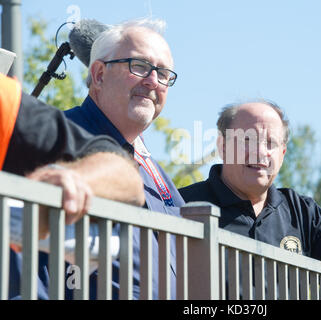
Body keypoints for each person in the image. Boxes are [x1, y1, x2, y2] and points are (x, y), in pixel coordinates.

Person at [179, 100, 321, 296]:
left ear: (282, 154)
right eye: (248, 140)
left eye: (271, 143)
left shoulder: (302, 212)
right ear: (223, 147)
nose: (261, 152)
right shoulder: (179, 205)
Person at [64, 18, 184, 299]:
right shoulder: (58, 141)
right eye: (139, 66)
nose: (153, 81)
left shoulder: (156, 172)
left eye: (164, 73)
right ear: (100, 75)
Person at [0, 72, 146, 299]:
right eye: (138, 67)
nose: (152, 80)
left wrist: (69, 180)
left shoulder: (3, 101)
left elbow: (125, 175)